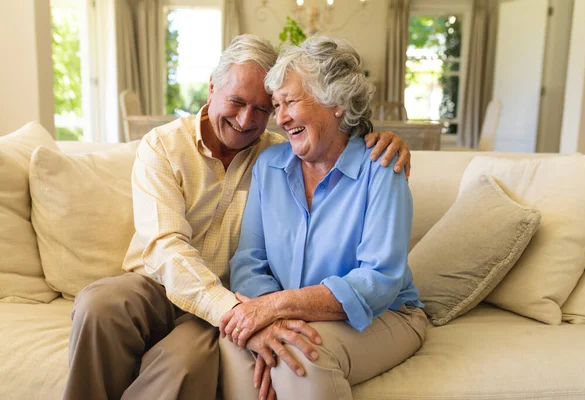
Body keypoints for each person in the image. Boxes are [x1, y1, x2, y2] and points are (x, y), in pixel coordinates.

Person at [62, 34, 412, 400]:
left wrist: (383, 139)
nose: (247, 120)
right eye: (237, 102)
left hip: (231, 298)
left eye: (265, 109)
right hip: (164, 288)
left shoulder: (277, 154)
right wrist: (249, 311)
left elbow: (336, 142)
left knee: (181, 364)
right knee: (99, 305)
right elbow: (168, 248)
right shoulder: (165, 146)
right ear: (212, 88)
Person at [219, 35, 427, 400]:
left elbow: (379, 279)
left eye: (290, 102)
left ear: (338, 103)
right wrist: (273, 322)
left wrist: (278, 306)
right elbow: (250, 260)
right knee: (237, 343)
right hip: (293, 314)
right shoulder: (270, 165)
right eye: (277, 105)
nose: (280, 118)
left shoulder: (381, 168)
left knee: (302, 355)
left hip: (386, 315)